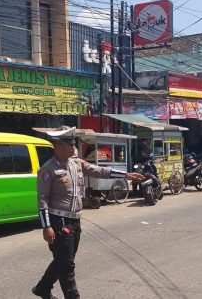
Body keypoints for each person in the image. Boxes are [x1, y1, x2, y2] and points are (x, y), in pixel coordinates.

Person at [33, 127, 144, 299]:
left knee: (64, 260)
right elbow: (42, 200)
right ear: (58, 148)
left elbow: (99, 171)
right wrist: (46, 226)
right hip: (59, 222)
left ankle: (42, 287)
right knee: (67, 265)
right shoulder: (47, 170)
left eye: (73, 144)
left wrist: (126, 174)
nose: (73, 148)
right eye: (69, 145)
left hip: (75, 221)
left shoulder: (76, 163)